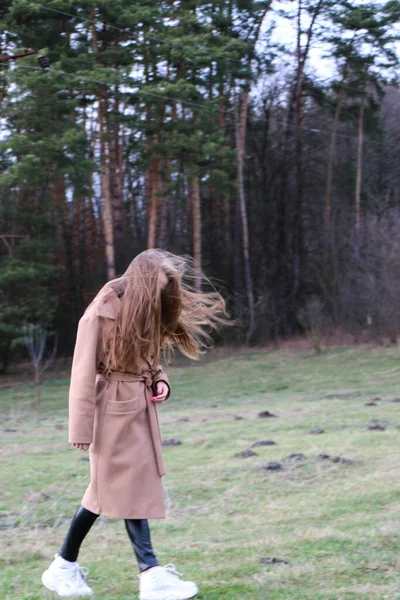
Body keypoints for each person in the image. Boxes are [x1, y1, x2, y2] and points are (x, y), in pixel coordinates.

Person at [41, 249, 228, 600]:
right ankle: (151, 575)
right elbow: (81, 374)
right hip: (110, 409)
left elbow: (147, 358)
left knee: (107, 493)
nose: (162, 297)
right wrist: (80, 429)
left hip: (137, 407)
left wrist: (160, 379)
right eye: (158, 288)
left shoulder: (141, 308)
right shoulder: (99, 314)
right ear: (143, 282)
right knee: (128, 488)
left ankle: (63, 567)